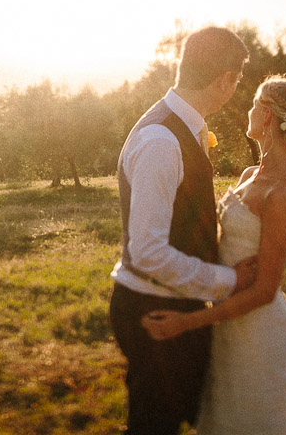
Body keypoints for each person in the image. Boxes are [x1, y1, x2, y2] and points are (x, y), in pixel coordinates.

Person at [142, 75, 286, 435]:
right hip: (228, 321)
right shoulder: (250, 174)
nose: (246, 108)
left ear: (265, 116)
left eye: (253, 103)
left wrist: (184, 323)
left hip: (258, 331)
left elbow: (264, 291)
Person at [109, 26, 255, 435]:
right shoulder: (161, 141)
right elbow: (149, 252)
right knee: (154, 426)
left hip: (170, 301)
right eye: (238, 78)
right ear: (225, 79)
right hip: (155, 308)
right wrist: (228, 279)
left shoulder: (182, 126)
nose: (236, 87)